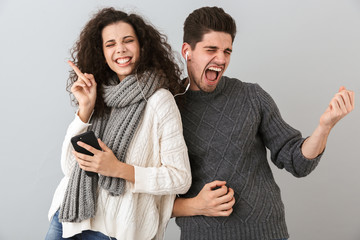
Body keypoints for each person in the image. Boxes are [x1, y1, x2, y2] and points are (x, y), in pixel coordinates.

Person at [172, 6, 355, 240]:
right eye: (211, 49)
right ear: (187, 51)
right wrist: (196, 205)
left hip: (267, 233)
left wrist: (325, 126)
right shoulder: (168, 106)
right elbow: (148, 199)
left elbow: (298, 163)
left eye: (227, 51)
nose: (221, 59)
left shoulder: (251, 96)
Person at [45, 7, 191, 240]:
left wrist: (119, 170)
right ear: (102, 53)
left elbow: (180, 178)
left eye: (128, 40)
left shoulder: (159, 101)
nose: (120, 49)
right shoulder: (99, 94)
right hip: (68, 221)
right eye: (110, 44)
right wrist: (85, 110)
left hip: (116, 231)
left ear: (142, 46)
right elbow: (70, 168)